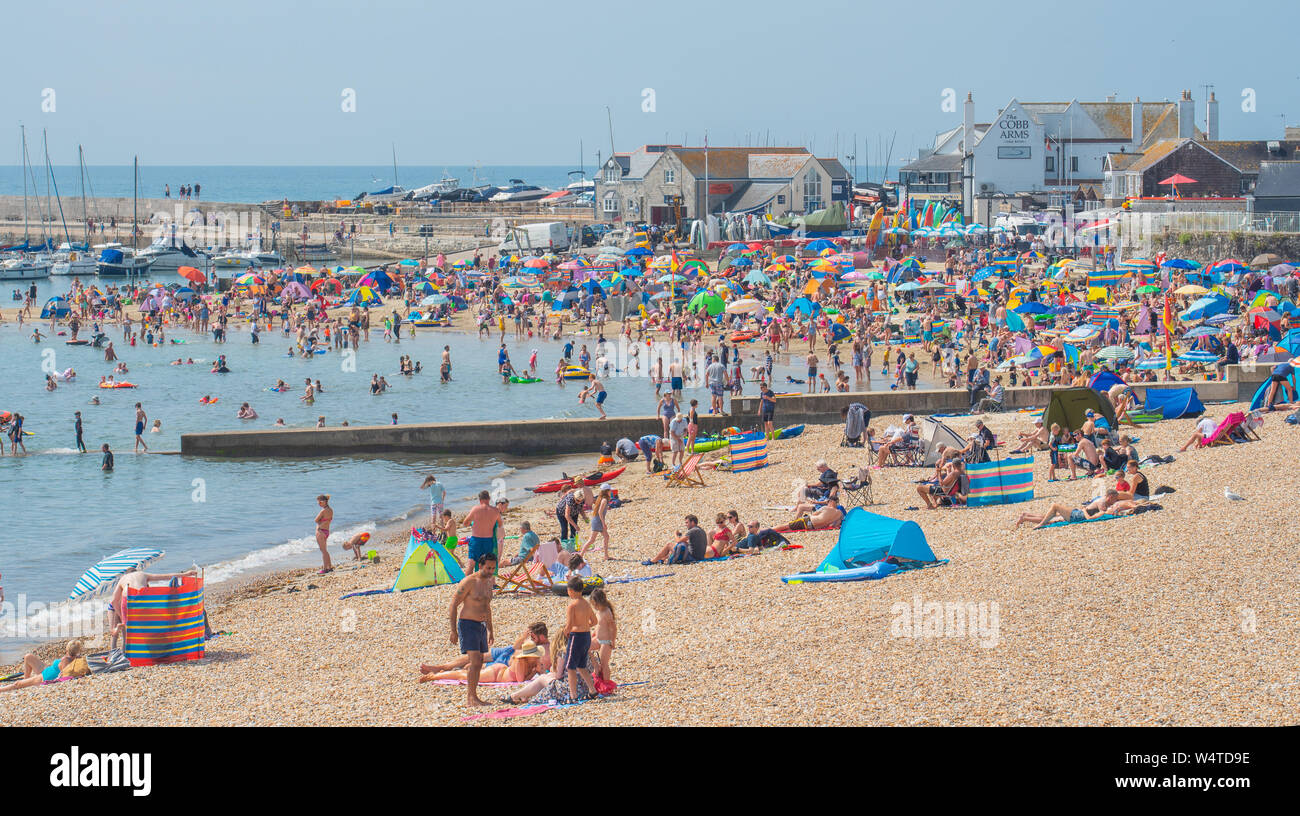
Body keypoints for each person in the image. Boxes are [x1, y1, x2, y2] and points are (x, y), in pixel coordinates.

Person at [447, 553, 497, 707]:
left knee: (479, 661)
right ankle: (471, 698)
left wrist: (491, 629)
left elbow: (487, 607)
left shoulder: (489, 581)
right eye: (488, 568)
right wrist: (453, 630)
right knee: (475, 661)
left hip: (481, 626)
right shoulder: (469, 582)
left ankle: (474, 697)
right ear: (480, 566)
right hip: (468, 624)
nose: (490, 571)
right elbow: (454, 604)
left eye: (493, 568)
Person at [419, 624, 549, 682]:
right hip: (507, 652)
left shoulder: (545, 649)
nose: (531, 639)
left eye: (533, 637)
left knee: (469, 669)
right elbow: (516, 647)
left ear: (542, 638)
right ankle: (439, 668)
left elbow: (539, 668)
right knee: (471, 657)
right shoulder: (529, 647)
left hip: (503, 664)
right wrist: (523, 637)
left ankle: (445, 673)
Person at [107, 567, 198, 649]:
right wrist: (186, 574)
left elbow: (114, 601)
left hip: (127, 598)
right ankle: (154, 645)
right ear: (137, 571)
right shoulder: (142, 574)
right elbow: (165, 576)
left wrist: (122, 618)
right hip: (141, 598)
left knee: (128, 630)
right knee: (148, 623)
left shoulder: (123, 578)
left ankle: (127, 652)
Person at [560, 576, 599, 701]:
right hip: (586, 636)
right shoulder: (586, 604)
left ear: (571, 590)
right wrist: (584, 625)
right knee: (581, 666)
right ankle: (592, 690)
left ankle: (573, 695)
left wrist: (564, 633)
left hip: (576, 637)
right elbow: (595, 621)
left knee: (570, 667)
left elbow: (569, 624)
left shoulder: (572, 606)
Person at [0, 641, 87, 693]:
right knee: (28, 657)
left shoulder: (66, 660)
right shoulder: (76, 659)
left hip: (44, 677)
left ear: (67, 649)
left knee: (17, 684)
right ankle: (25, 680)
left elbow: (63, 676)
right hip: (47, 670)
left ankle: (2, 689)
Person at [461, 490, 502, 564]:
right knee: (486, 564)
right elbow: (500, 524)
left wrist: (472, 523)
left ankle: (468, 576)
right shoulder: (496, 511)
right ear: (489, 499)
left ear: (480, 500)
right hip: (488, 540)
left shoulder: (476, 509)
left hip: (476, 539)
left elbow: (465, 523)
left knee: (471, 565)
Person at [589, 588, 617, 684]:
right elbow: (598, 625)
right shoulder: (599, 612)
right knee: (585, 647)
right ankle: (595, 667)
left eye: (595, 604)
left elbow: (613, 627)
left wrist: (612, 640)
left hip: (606, 641)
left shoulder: (606, 612)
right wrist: (594, 633)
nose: (594, 607)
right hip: (598, 638)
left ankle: (606, 683)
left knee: (604, 664)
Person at [582, 485, 611, 560]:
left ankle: (606, 556)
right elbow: (600, 512)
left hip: (598, 520)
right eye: (610, 490)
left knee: (606, 537)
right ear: (607, 491)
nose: (611, 491)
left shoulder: (600, 498)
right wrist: (603, 523)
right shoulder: (604, 500)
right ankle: (580, 555)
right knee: (591, 540)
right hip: (598, 521)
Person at [313, 495, 334, 573]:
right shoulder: (331, 510)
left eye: (320, 502)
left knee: (323, 551)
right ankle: (329, 567)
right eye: (318, 502)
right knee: (325, 550)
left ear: (325, 501)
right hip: (326, 531)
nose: (319, 503)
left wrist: (319, 524)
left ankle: (325, 569)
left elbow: (316, 520)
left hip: (321, 531)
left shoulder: (323, 511)